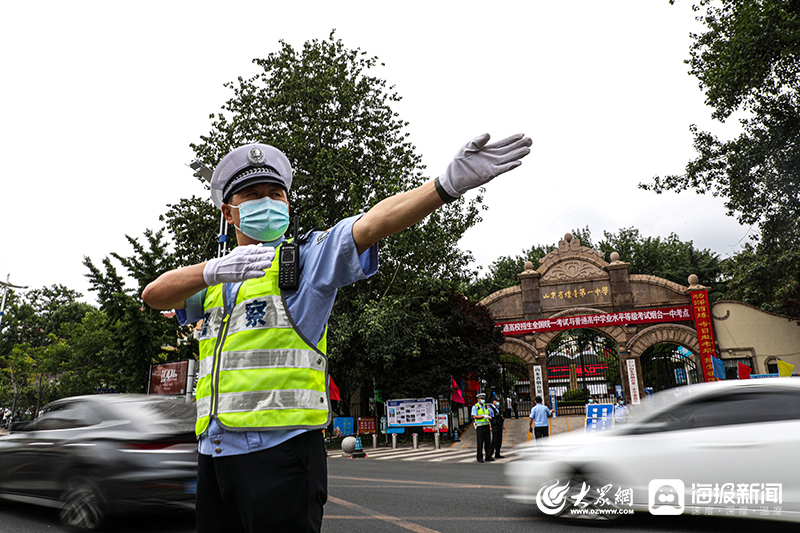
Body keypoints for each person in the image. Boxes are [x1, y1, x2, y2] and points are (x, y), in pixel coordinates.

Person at [142, 133, 531, 532]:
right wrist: (211, 270)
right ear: (229, 212)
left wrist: (443, 187)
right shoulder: (211, 282)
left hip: (280, 453)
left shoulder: (305, 260)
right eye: (254, 195)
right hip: (213, 453)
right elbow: (154, 295)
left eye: (277, 194)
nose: (269, 203)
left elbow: (371, 223)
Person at [471, 392, 493, 462]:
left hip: (486, 426)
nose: (483, 400)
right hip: (480, 427)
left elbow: (489, 415)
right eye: (481, 398)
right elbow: (474, 416)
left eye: (483, 398)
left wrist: (489, 417)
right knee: (480, 442)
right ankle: (479, 457)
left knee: (488, 442)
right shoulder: (475, 407)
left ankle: (488, 456)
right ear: (478, 399)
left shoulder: (486, 406)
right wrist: (483, 416)